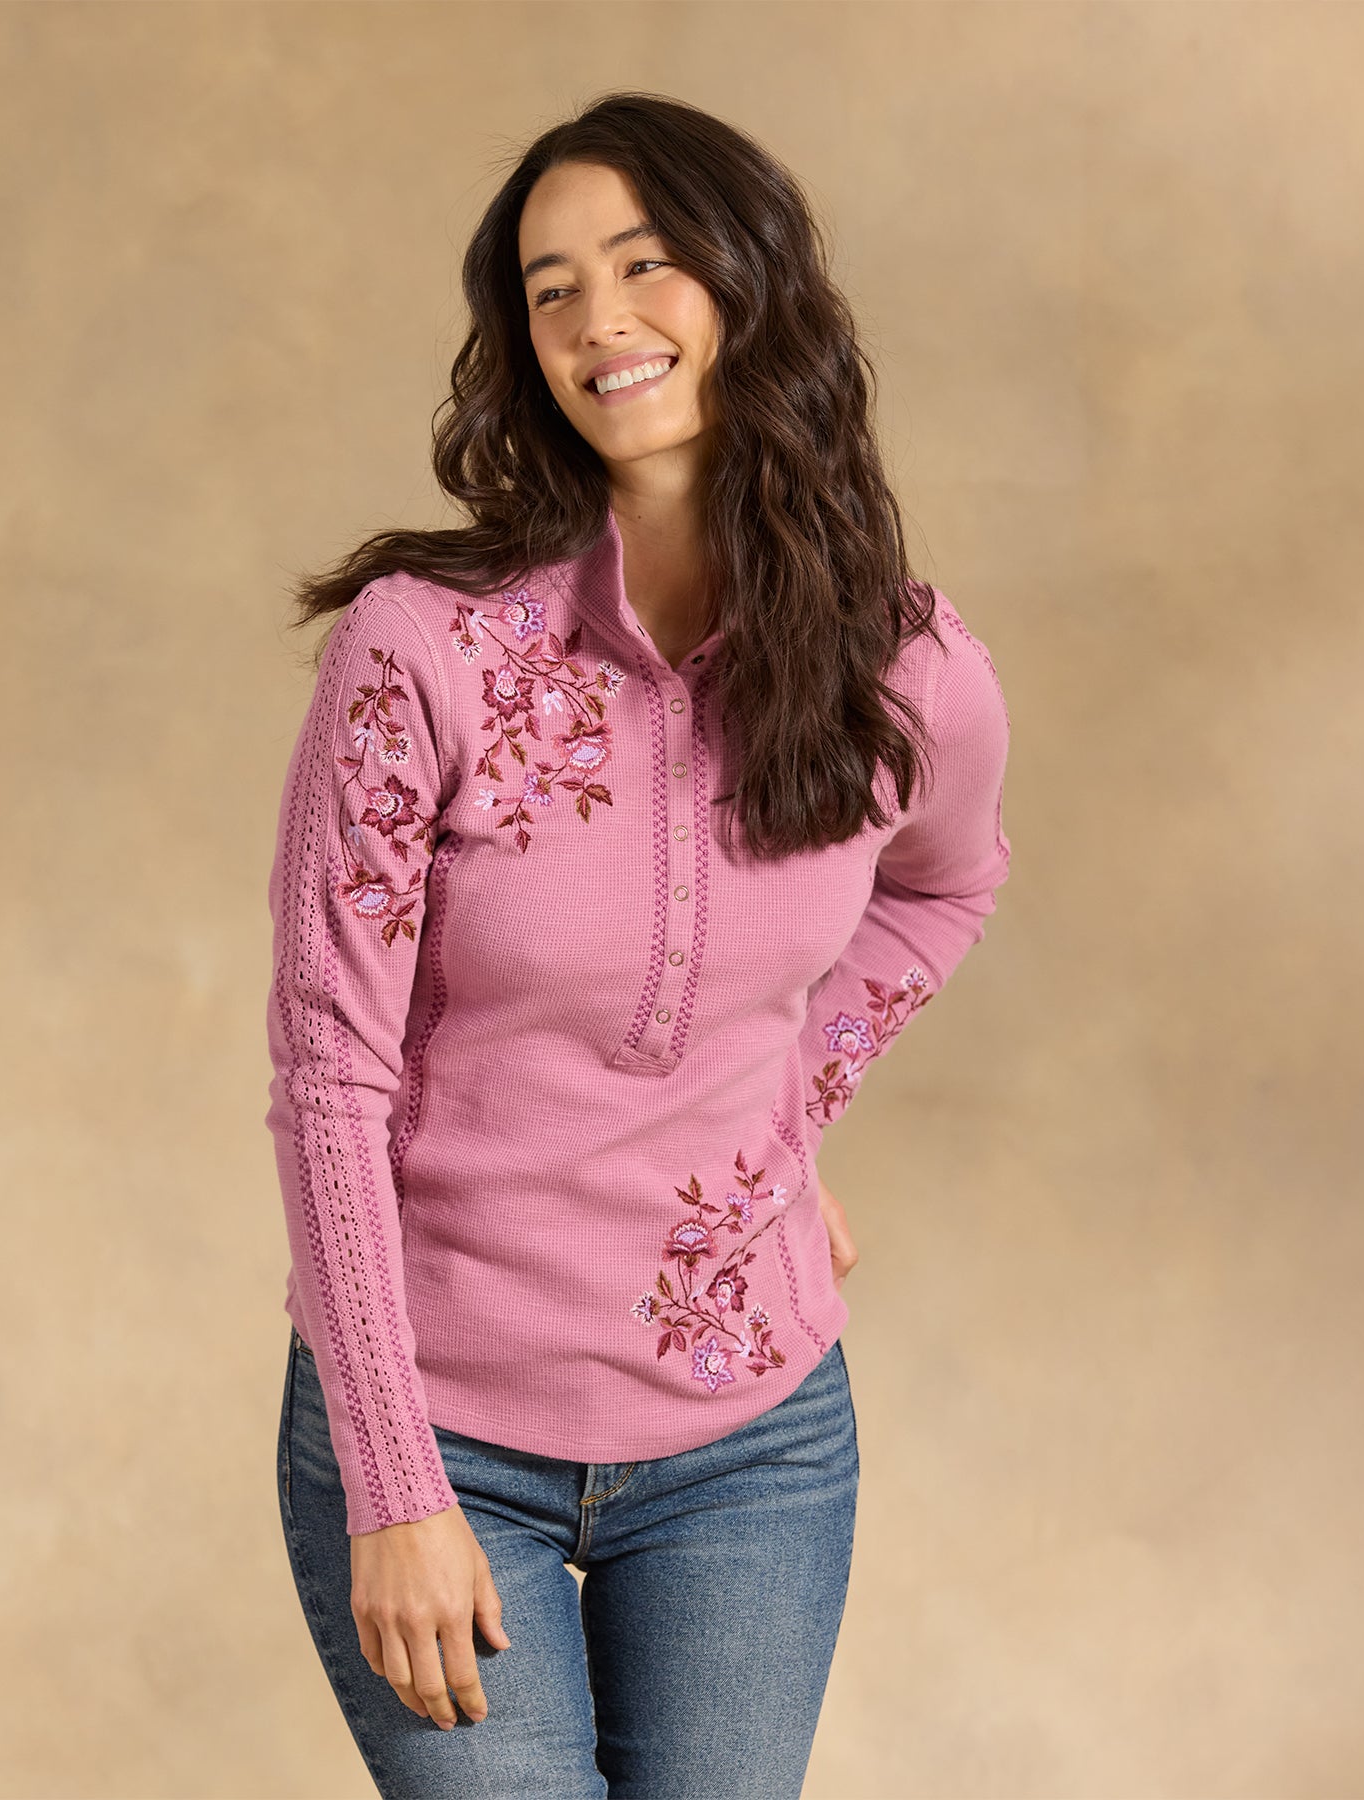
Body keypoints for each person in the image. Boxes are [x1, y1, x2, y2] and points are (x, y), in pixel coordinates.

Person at [264, 90, 1013, 1799]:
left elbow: (942, 888)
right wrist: (393, 1483)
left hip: (754, 1448)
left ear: (752, 281)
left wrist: (782, 1119)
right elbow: (328, 1074)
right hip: (444, 1430)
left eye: (644, 262)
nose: (598, 318)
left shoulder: (907, 667)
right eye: (551, 290)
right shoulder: (423, 654)